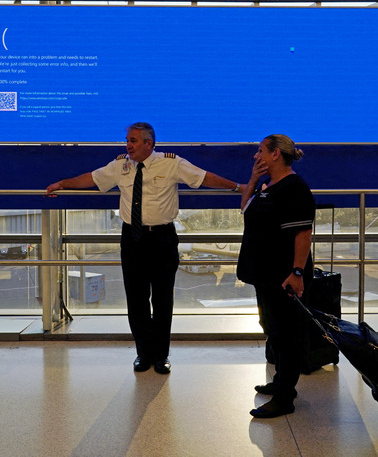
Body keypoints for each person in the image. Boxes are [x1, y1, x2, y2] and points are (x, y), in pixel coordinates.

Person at [45, 122, 241, 374]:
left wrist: (238, 187)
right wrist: (61, 184)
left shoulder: (171, 163)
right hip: (132, 239)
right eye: (127, 139)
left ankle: (161, 355)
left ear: (149, 144)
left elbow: (204, 178)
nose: (128, 145)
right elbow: (91, 179)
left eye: (134, 141)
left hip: (162, 239)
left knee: (162, 299)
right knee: (136, 300)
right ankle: (143, 353)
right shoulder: (121, 165)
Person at [236, 134, 315, 418]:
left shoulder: (294, 188)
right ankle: (281, 381)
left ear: (275, 155)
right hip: (265, 273)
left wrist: (296, 272)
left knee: (286, 333)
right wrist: (253, 181)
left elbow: (303, 234)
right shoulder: (270, 185)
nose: (256, 156)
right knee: (273, 329)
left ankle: (285, 396)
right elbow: (245, 209)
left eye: (260, 151)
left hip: (283, 275)